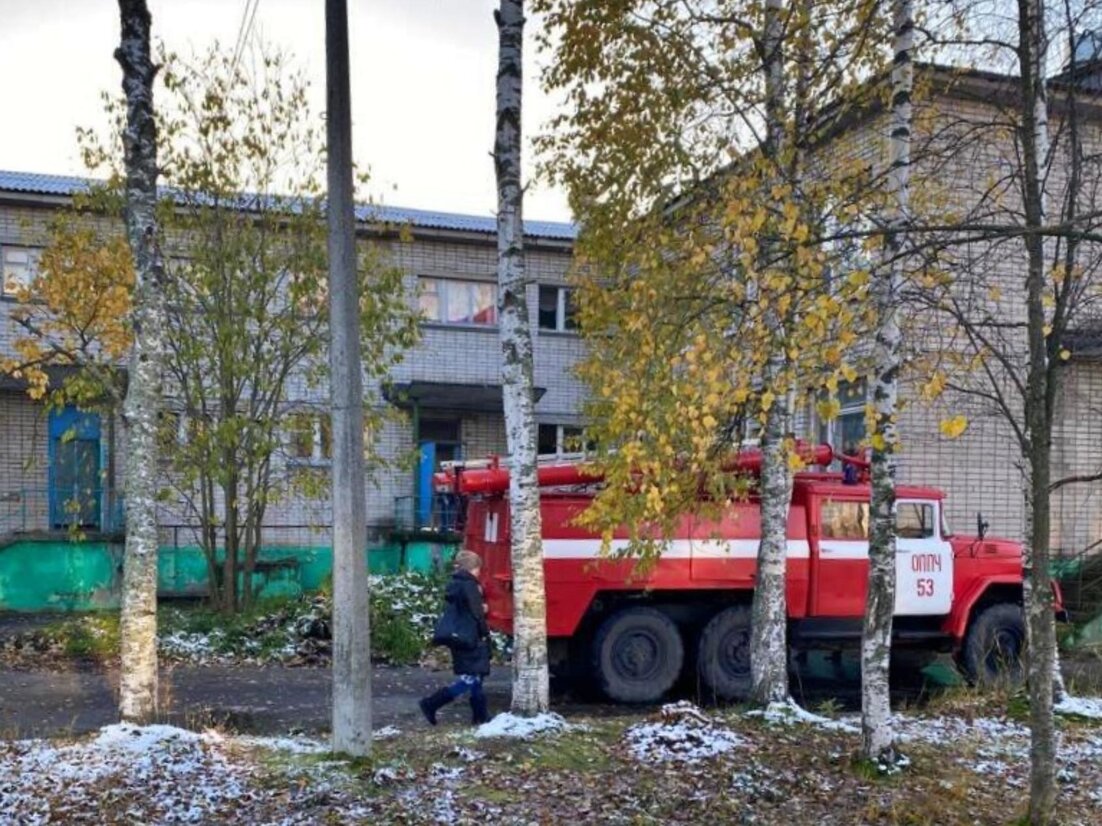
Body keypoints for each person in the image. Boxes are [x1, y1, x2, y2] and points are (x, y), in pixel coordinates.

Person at [419, 550, 492, 725]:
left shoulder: (456, 583)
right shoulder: (470, 585)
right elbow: (476, 614)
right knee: (472, 678)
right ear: (473, 569)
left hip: (458, 635)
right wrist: (485, 632)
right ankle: (432, 703)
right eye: (478, 569)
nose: (479, 573)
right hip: (470, 637)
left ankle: (480, 716)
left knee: (476, 675)